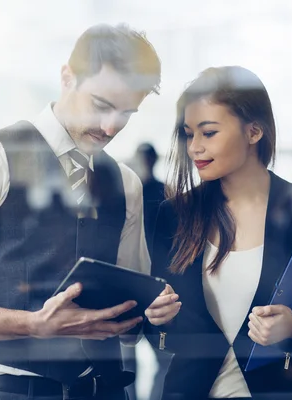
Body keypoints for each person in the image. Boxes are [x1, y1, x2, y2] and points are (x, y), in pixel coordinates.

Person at [0, 23, 175, 400]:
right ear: (67, 76)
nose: (110, 127)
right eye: (101, 105)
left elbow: (128, 318)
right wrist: (34, 325)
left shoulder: (127, 183)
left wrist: (152, 310)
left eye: (126, 113)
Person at [143, 66, 292, 399]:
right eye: (189, 134)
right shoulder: (175, 214)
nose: (194, 148)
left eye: (209, 133)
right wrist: (156, 318)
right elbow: (161, 332)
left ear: (254, 132)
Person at [123, 143, 171, 400]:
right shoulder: (162, 193)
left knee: (142, 360)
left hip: (144, 285)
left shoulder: (161, 194)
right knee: (131, 360)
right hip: (148, 285)